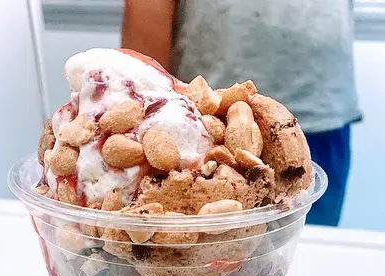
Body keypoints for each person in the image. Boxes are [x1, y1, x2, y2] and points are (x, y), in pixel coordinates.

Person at [121, 0, 362, 226]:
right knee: (195, 243)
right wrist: (144, 107)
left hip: (324, 108)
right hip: (206, 126)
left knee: (310, 244)